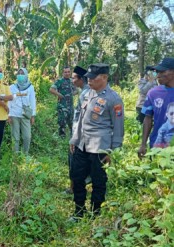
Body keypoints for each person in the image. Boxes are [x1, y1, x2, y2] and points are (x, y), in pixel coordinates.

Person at [69, 63, 124, 221]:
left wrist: (113, 151)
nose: (90, 81)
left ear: (105, 77)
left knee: (98, 181)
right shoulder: (87, 94)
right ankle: (79, 211)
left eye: (93, 78)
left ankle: (95, 213)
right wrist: (74, 138)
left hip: (100, 147)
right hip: (82, 144)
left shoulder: (113, 98)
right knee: (77, 177)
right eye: (88, 78)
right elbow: (80, 118)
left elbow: (118, 126)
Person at [138, 57, 174, 157]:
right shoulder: (153, 93)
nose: (158, 75)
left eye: (162, 71)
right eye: (157, 72)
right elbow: (147, 118)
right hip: (157, 147)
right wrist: (143, 144)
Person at [66, 66, 90, 194]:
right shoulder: (85, 91)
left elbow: (81, 118)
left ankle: (74, 187)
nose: (72, 80)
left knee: (74, 160)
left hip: (80, 134)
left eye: (74, 77)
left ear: (81, 79)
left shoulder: (85, 94)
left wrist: (75, 137)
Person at [8, 68, 36, 154]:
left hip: (25, 115)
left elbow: (32, 101)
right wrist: (8, 115)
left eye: (22, 73)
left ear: (26, 75)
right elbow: (9, 101)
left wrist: (33, 115)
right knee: (15, 137)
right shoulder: (12, 87)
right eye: (19, 73)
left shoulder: (30, 87)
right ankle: (15, 155)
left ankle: (25, 154)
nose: (20, 75)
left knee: (27, 136)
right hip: (14, 114)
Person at [50, 66, 76, 137]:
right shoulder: (60, 81)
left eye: (68, 72)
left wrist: (74, 93)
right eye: (65, 72)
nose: (67, 73)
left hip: (70, 106)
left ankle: (72, 139)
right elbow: (51, 89)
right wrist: (59, 94)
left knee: (72, 124)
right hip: (62, 106)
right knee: (62, 124)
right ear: (63, 73)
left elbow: (77, 90)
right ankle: (62, 140)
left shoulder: (72, 81)